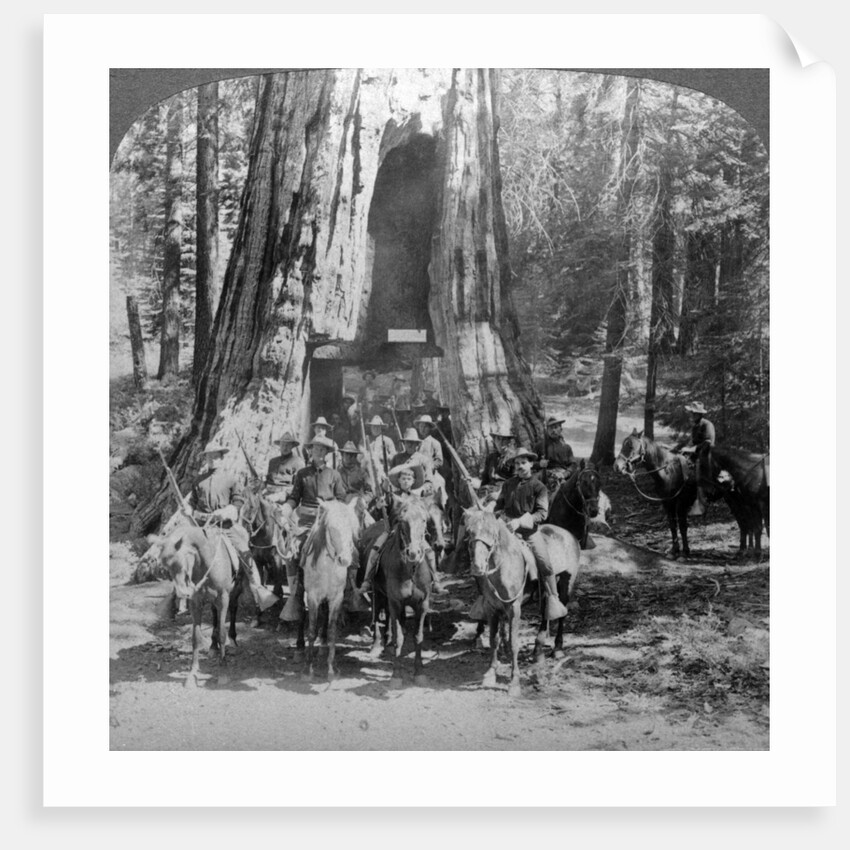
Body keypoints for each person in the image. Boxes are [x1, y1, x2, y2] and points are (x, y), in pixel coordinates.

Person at [277, 435, 362, 620]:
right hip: (306, 519)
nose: (319, 452)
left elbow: (340, 498)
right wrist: (286, 509)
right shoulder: (302, 474)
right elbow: (294, 497)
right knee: (293, 550)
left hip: (328, 517)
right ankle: (296, 596)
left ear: (327, 453)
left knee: (352, 551)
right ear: (310, 451)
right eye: (316, 448)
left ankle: (350, 592)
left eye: (323, 449)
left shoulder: (334, 474)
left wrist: (344, 509)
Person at [187, 441, 278, 614]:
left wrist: (229, 510)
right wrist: (188, 510)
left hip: (225, 527)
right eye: (209, 457)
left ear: (221, 458)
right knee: (182, 552)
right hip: (203, 527)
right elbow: (192, 503)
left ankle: (258, 590)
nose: (212, 460)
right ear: (205, 459)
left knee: (245, 553)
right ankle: (181, 591)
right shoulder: (198, 481)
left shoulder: (231, 479)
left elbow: (238, 500)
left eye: (215, 456)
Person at [493, 447, 568, 621]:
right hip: (507, 530)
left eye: (523, 463)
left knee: (544, 561)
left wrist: (520, 521)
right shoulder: (508, 484)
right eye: (517, 463)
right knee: (485, 553)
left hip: (529, 532)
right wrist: (499, 516)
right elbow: (499, 506)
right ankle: (485, 599)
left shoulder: (538, 487)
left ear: (531, 464)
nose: (519, 466)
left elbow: (542, 513)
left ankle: (553, 599)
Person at [357, 462, 446, 602]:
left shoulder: (418, 499)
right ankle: (367, 580)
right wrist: (379, 507)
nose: (406, 481)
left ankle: (435, 580)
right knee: (376, 549)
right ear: (398, 481)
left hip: (413, 535)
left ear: (413, 481)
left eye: (409, 478)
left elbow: (424, 517)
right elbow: (376, 515)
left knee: (429, 551)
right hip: (392, 531)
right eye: (403, 478)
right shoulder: (391, 497)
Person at [674, 401, 716, 516]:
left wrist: (693, 449)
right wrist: (683, 448)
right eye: (691, 413)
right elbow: (691, 441)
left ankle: (702, 503)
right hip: (696, 453)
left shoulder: (707, 424)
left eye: (693, 413)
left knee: (698, 469)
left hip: (706, 454)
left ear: (699, 414)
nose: (691, 416)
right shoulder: (695, 426)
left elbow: (708, 442)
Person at [533, 416, 578, 487]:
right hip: (544, 475)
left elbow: (573, 464)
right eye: (550, 428)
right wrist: (539, 464)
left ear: (561, 429)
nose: (553, 430)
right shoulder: (539, 446)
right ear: (546, 430)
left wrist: (565, 474)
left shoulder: (566, 447)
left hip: (562, 475)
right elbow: (530, 464)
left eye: (556, 427)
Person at [264, 431, 304, 504]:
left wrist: (281, 495)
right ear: (279, 446)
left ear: (292, 446)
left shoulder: (298, 462)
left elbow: (298, 487)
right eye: (283, 445)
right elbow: (268, 481)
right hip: (269, 493)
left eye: (288, 445)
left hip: (286, 495)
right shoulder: (272, 461)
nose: (285, 447)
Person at [366, 415, 396, 481]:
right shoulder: (367, 441)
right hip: (371, 471)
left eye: (378, 427)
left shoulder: (387, 440)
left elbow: (394, 457)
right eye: (374, 426)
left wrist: (385, 457)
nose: (376, 429)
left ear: (381, 428)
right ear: (371, 428)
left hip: (385, 470)